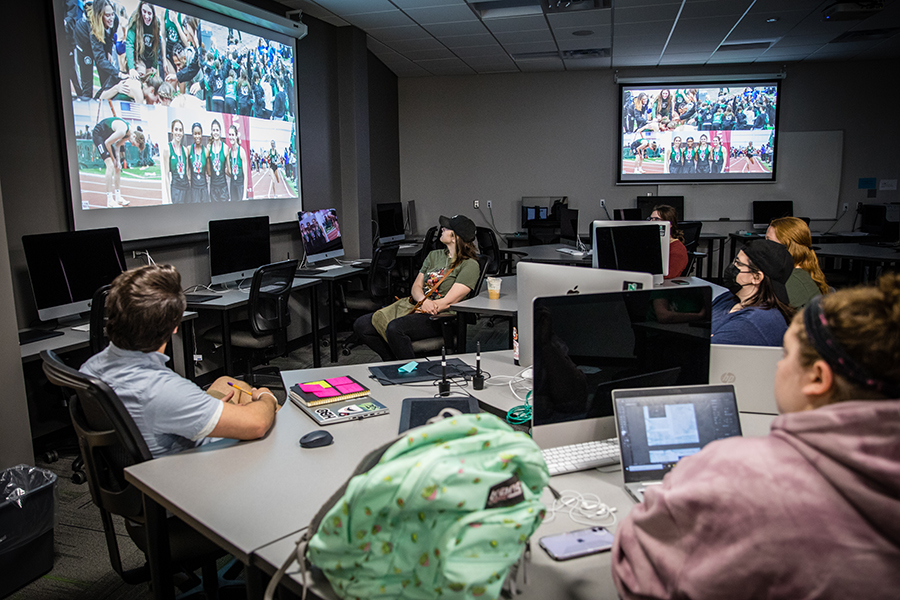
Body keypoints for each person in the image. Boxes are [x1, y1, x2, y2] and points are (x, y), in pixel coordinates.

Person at [612, 273, 900, 600]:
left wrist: (676, 494)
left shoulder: (735, 473)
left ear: (818, 377)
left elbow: (635, 575)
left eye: (786, 354)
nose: (778, 367)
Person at [81, 265, 278, 458]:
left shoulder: (90, 368)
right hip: (196, 465)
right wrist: (266, 397)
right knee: (274, 418)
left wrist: (203, 407)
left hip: (148, 446)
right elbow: (258, 424)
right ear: (174, 327)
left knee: (225, 382)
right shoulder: (164, 389)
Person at [354, 215, 481, 361]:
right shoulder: (434, 255)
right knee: (362, 326)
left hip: (440, 316)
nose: (442, 229)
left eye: (446, 228)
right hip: (417, 306)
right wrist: (422, 300)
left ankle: (412, 370)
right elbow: (416, 286)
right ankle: (393, 362)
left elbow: (448, 302)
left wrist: (426, 305)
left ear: (455, 237)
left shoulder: (470, 265)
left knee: (395, 328)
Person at [711, 239, 794, 346]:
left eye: (739, 264)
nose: (732, 266)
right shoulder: (730, 298)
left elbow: (703, 352)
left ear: (756, 277)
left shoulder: (754, 321)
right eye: (734, 261)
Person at [767, 216, 831, 309]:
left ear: (787, 246)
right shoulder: (799, 271)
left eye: (769, 241)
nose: (764, 245)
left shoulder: (793, 281)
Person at [91, 116, 137, 208]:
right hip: (99, 135)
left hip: (106, 138)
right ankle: (109, 200)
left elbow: (116, 146)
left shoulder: (128, 134)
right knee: (110, 165)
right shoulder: (122, 131)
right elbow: (107, 143)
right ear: (134, 136)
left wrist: (118, 161)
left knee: (117, 167)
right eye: (133, 143)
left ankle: (118, 197)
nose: (132, 145)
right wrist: (113, 159)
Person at [125, 2, 164, 78]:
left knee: (152, 81)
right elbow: (129, 44)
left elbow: (156, 46)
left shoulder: (156, 23)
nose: (146, 16)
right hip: (138, 56)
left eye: (149, 13)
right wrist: (131, 68)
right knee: (141, 72)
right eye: (144, 12)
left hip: (149, 57)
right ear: (140, 10)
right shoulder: (135, 21)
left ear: (153, 14)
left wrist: (154, 66)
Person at [650, 205, 688, 279]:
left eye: (656, 219)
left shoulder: (677, 249)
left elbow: (668, 275)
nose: (651, 222)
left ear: (669, 224)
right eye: (651, 219)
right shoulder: (653, 244)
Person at [162, 119, 189, 204]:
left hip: (186, 189)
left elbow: (187, 172)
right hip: (176, 190)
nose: (178, 133)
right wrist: (169, 199)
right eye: (176, 129)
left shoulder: (185, 150)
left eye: (180, 130)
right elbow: (166, 176)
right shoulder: (167, 149)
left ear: (183, 133)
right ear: (172, 131)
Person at [207, 119, 229, 202]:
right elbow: (208, 171)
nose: (215, 132)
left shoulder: (225, 147)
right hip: (213, 187)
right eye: (213, 130)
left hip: (223, 186)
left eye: (217, 130)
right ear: (211, 132)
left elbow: (229, 169)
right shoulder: (209, 147)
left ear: (220, 131)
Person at [188, 122, 209, 203]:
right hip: (194, 189)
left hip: (204, 188)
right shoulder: (189, 149)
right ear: (192, 135)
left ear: (201, 134)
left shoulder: (206, 151)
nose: (197, 136)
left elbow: (209, 171)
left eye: (199, 133)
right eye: (195, 134)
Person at [227, 124, 249, 201]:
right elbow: (230, 172)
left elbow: (245, 176)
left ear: (236, 136)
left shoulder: (241, 151)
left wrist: (244, 196)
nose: (231, 137)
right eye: (229, 135)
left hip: (240, 187)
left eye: (232, 135)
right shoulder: (229, 151)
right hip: (233, 186)